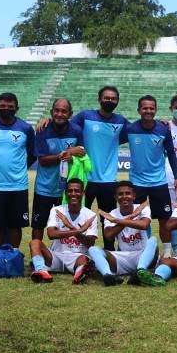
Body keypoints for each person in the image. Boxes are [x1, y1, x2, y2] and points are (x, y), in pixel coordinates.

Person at [67, 86, 129, 250]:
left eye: (113, 99)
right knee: (80, 216)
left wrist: (162, 122)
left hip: (108, 180)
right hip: (85, 179)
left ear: (117, 101)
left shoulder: (120, 121)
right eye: (106, 98)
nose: (110, 101)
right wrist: (47, 121)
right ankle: (80, 251)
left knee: (107, 220)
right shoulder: (85, 116)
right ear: (99, 99)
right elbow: (66, 127)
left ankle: (109, 252)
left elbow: (140, 127)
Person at [120, 95, 177, 260]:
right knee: (139, 218)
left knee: (164, 219)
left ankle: (166, 254)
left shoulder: (163, 129)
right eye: (145, 108)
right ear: (139, 110)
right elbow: (112, 140)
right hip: (137, 182)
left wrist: (176, 177)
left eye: (151, 108)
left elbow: (171, 153)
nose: (148, 111)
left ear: (155, 110)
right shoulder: (130, 129)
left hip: (158, 182)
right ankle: (144, 252)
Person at [0, 92, 36, 248]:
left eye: (10, 106)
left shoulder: (25, 128)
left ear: (17, 108)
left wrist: (18, 169)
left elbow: (32, 155)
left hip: (18, 185)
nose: (6, 108)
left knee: (15, 225)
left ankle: (13, 255)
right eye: (3, 106)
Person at [32, 98, 84, 241]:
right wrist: (65, 153)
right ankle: (37, 253)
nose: (59, 114)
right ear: (51, 112)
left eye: (64, 111)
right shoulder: (42, 130)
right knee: (38, 225)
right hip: (44, 188)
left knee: (66, 225)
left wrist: (72, 156)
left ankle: (62, 253)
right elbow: (43, 161)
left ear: (70, 114)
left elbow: (81, 154)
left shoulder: (77, 131)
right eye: (57, 110)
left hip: (67, 190)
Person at [87, 181, 157, 286]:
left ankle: (140, 271)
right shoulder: (112, 214)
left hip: (143, 255)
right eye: (120, 194)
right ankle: (108, 276)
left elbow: (144, 225)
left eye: (127, 193)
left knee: (153, 240)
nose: (124, 197)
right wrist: (130, 217)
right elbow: (108, 236)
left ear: (134, 195)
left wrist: (117, 221)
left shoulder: (142, 208)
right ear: (115, 197)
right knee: (93, 249)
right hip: (123, 257)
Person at [29, 179, 98, 283]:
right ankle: (41, 271)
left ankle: (79, 274)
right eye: (70, 191)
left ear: (83, 193)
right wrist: (79, 230)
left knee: (84, 260)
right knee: (35, 242)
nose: (73, 194)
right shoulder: (57, 210)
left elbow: (90, 243)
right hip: (56, 255)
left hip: (77, 256)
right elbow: (51, 234)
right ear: (65, 193)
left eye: (77, 191)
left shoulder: (91, 215)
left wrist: (70, 226)